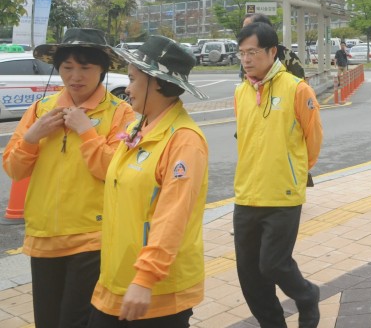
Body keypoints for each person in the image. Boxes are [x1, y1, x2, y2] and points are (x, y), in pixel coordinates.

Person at [2, 29, 134, 328]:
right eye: (67, 67)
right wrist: (32, 138)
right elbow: (13, 168)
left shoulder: (120, 113)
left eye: (86, 67)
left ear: (102, 69)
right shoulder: (41, 110)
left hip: (92, 237)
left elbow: (115, 172)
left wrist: (86, 131)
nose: (76, 76)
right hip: (43, 236)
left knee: (76, 321)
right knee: (47, 321)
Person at [88, 36, 209, 327]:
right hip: (118, 277)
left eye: (132, 79)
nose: (127, 88)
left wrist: (145, 278)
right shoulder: (137, 127)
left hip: (156, 290)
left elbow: (172, 217)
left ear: (155, 82)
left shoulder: (184, 141)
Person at [233, 21, 323, 328]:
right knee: (250, 277)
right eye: (242, 53)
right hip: (246, 195)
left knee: (272, 264)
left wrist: (293, 173)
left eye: (253, 52)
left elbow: (313, 140)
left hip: (283, 195)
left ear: (272, 52)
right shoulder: (241, 92)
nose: (246, 59)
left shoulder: (297, 89)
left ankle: (307, 295)